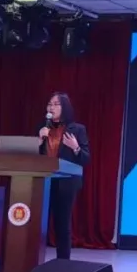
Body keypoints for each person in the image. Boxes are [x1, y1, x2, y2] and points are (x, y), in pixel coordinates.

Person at [38, 92, 90, 260]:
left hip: (66, 182)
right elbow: (33, 157)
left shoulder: (77, 129)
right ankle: (32, 260)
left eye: (55, 104)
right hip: (42, 181)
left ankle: (63, 263)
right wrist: (38, 141)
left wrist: (75, 147)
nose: (51, 107)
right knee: (37, 222)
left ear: (64, 107)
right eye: (49, 104)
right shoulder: (43, 129)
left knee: (62, 224)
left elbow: (86, 159)